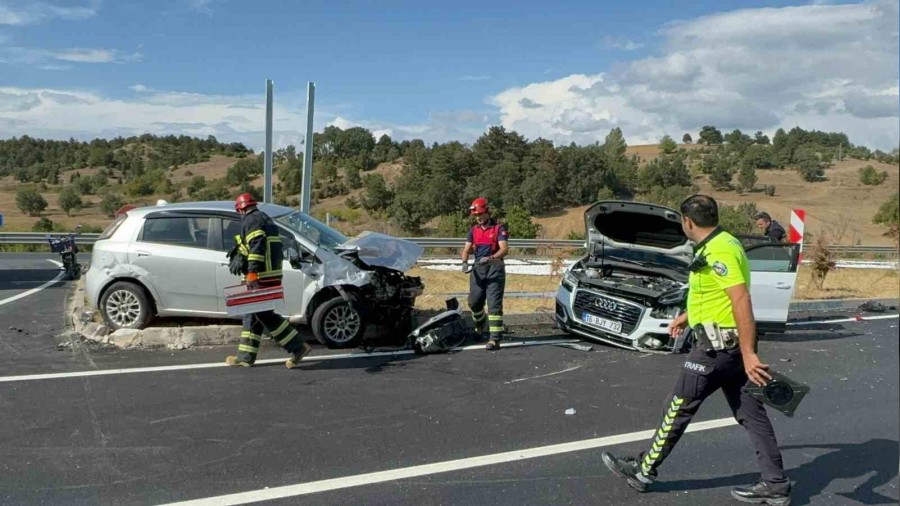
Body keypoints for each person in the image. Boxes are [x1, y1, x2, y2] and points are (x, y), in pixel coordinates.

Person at [602, 195, 792, 505]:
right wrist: (687, 316)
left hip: (716, 351)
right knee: (752, 415)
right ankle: (776, 484)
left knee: (677, 407)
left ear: (688, 222)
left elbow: (740, 299)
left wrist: (749, 354)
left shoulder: (719, 251)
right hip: (728, 349)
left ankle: (643, 471)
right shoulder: (722, 242)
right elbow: (713, 295)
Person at [225, 193, 312, 369]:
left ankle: (298, 346)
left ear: (240, 209)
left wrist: (252, 272)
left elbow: (257, 245)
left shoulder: (252, 220)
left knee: (264, 314)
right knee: (252, 315)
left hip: (261, 276)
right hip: (268, 274)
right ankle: (245, 357)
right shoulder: (264, 218)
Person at [460, 198, 509, 351]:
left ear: (487, 211)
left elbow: (504, 249)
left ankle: (494, 339)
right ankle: (481, 325)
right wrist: (464, 262)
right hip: (477, 270)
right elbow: (466, 250)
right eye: (476, 215)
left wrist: (492, 258)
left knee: (494, 305)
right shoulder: (473, 231)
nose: (478, 217)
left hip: (495, 270)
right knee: (474, 302)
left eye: (481, 214)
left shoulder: (498, 229)